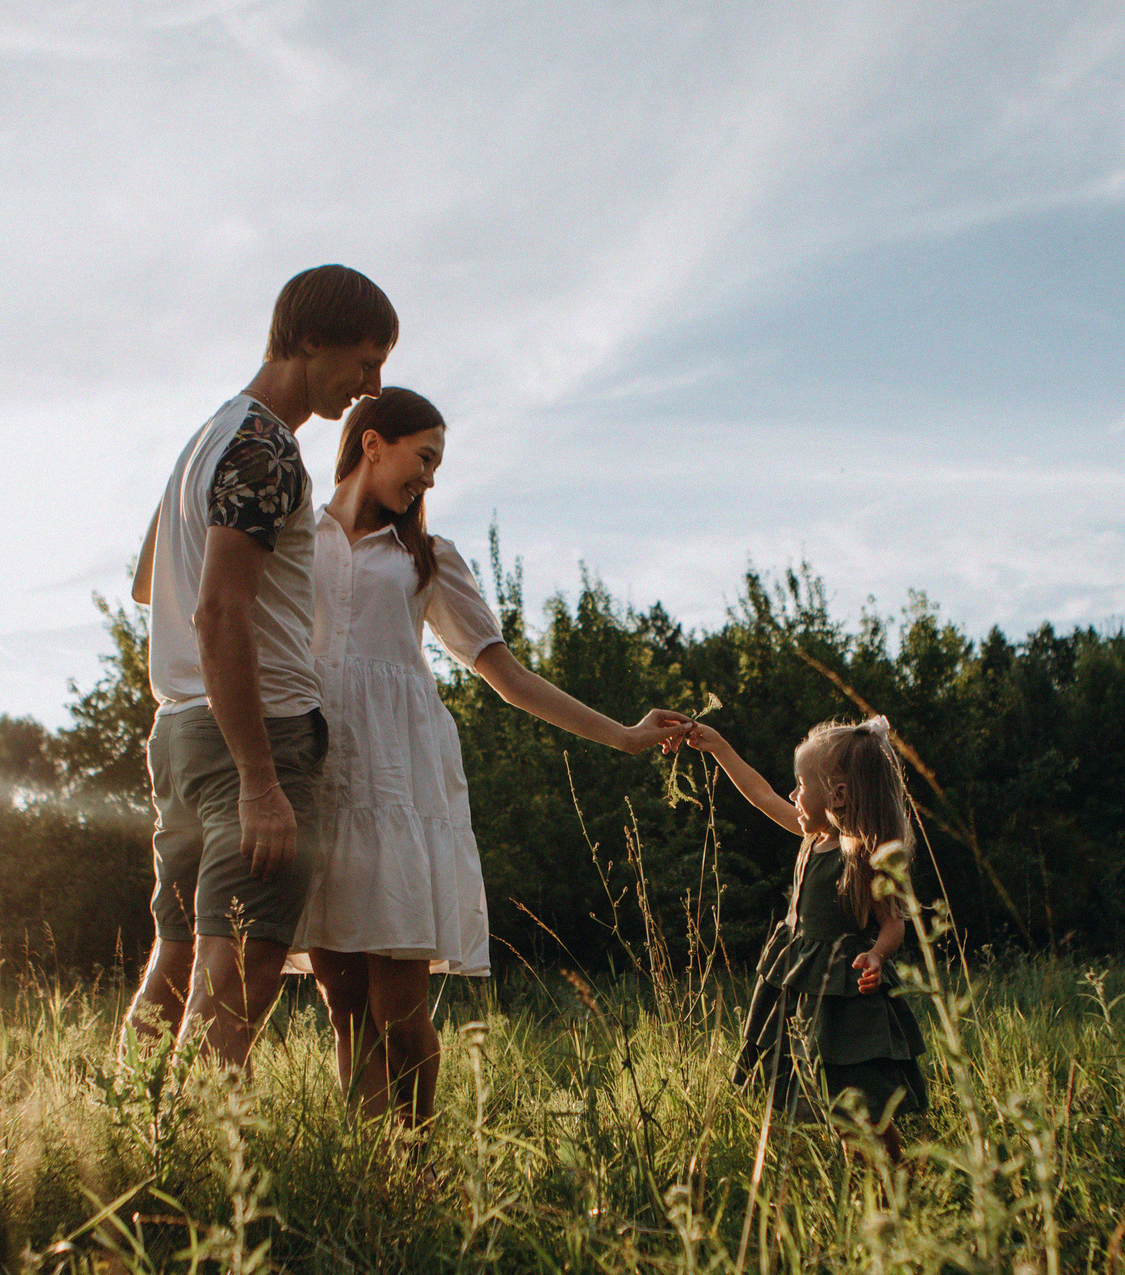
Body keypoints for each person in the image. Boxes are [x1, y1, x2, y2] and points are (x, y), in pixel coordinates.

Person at [295, 388, 690, 1125]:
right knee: (343, 1006)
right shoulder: (296, 536)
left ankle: (415, 1161)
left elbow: (507, 677)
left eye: (438, 465)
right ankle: (368, 1181)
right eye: (425, 458)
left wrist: (626, 735)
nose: (431, 480)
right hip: (319, 776)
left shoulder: (428, 558)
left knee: (398, 1011)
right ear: (372, 443)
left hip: (397, 783)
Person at [122, 264, 396, 1069]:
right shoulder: (267, 447)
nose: (370, 387)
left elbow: (149, 584)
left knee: (173, 966)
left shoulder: (206, 439)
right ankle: (197, 1185)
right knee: (236, 984)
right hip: (253, 736)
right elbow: (219, 613)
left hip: (176, 735)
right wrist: (259, 780)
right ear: (311, 340)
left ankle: (112, 1146)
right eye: (365, 361)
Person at [681, 714, 930, 1156]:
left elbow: (895, 923)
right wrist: (718, 745)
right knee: (792, 1080)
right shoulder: (808, 833)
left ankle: (895, 1178)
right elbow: (760, 795)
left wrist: (876, 956)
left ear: (838, 794)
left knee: (856, 1096)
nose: (792, 795)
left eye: (800, 785)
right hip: (796, 983)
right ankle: (803, 1173)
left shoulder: (864, 855)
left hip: (842, 991)